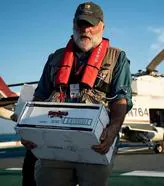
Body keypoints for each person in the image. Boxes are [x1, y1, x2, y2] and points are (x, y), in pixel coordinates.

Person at [18, 1, 133, 186]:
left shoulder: (117, 58)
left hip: (95, 145)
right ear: (73, 24)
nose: (85, 30)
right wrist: (28, 129)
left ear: (101, 26)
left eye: (91, 25)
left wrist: (113, 129)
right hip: (54, 144)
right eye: (81, 24)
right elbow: (39, 97)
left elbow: (121, 98)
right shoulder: (55, 57)